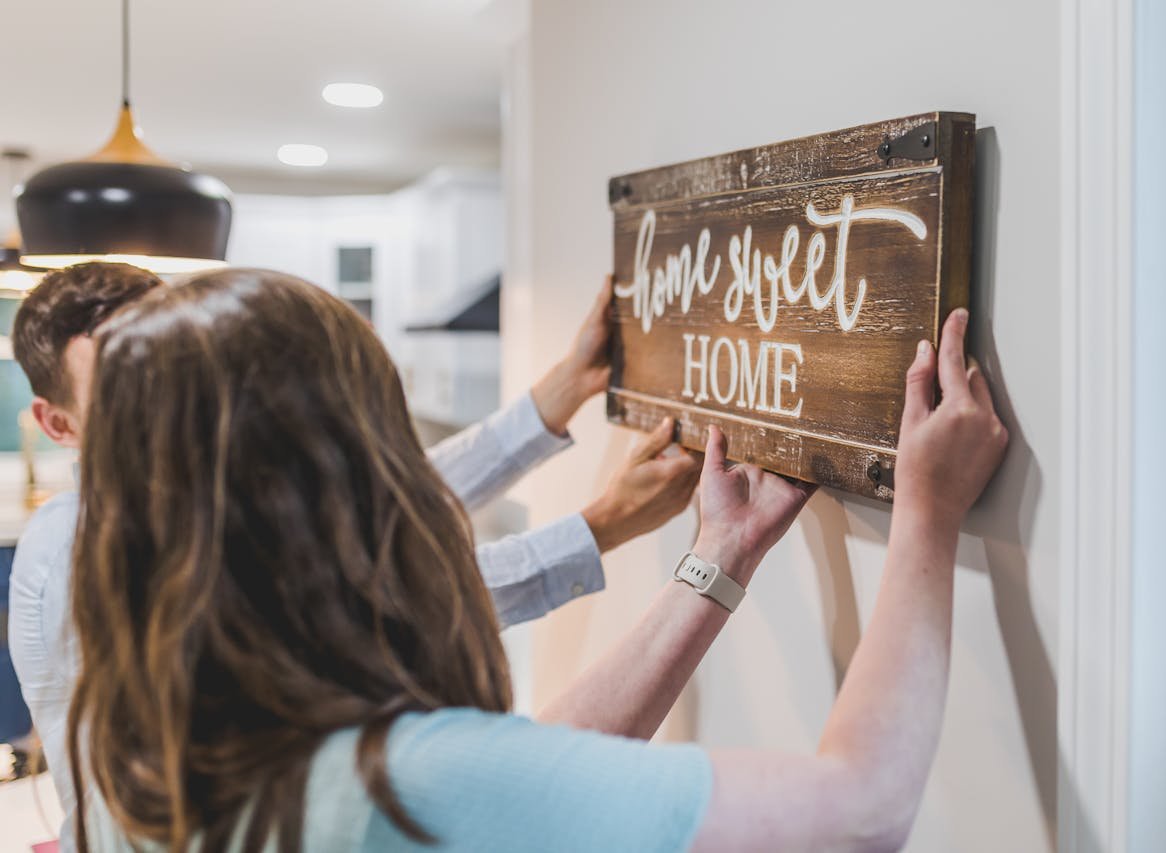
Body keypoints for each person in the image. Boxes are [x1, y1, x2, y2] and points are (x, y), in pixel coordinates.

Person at [71, 269, 1006, 851]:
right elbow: (859, 811)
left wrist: (716, 560)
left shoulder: (133, 744)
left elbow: (525, 781)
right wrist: (927, 509)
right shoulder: (398, 784)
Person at [6, 262, 698, 848]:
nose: (192, 404)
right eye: (138, 389)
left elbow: (369, 497)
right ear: (57, 423)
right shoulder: (86, 545)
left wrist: (565, 387)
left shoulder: (189, 494)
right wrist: (600, 526)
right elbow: (358, 600)